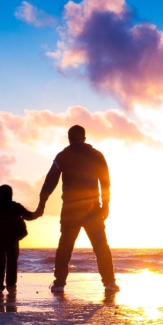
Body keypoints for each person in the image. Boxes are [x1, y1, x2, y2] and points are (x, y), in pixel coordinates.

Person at [35, 124, 118, 293]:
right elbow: (105, 182)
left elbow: (50, 181)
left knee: (65, 245)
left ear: (69, 138)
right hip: (92, 209)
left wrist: (42, 204)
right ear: (84, 138)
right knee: (101, 246)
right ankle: (109, 282)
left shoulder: (63, 156)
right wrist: (106, 205)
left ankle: (59, 283)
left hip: (70, 209)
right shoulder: (97, 155)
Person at [0, 184, 39, 294]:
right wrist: (38, 213)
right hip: (12, 238)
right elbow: (28, 216)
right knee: (11, 263)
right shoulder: (15, 206)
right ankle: (10, 285)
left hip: (0, 239)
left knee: (0, 263)